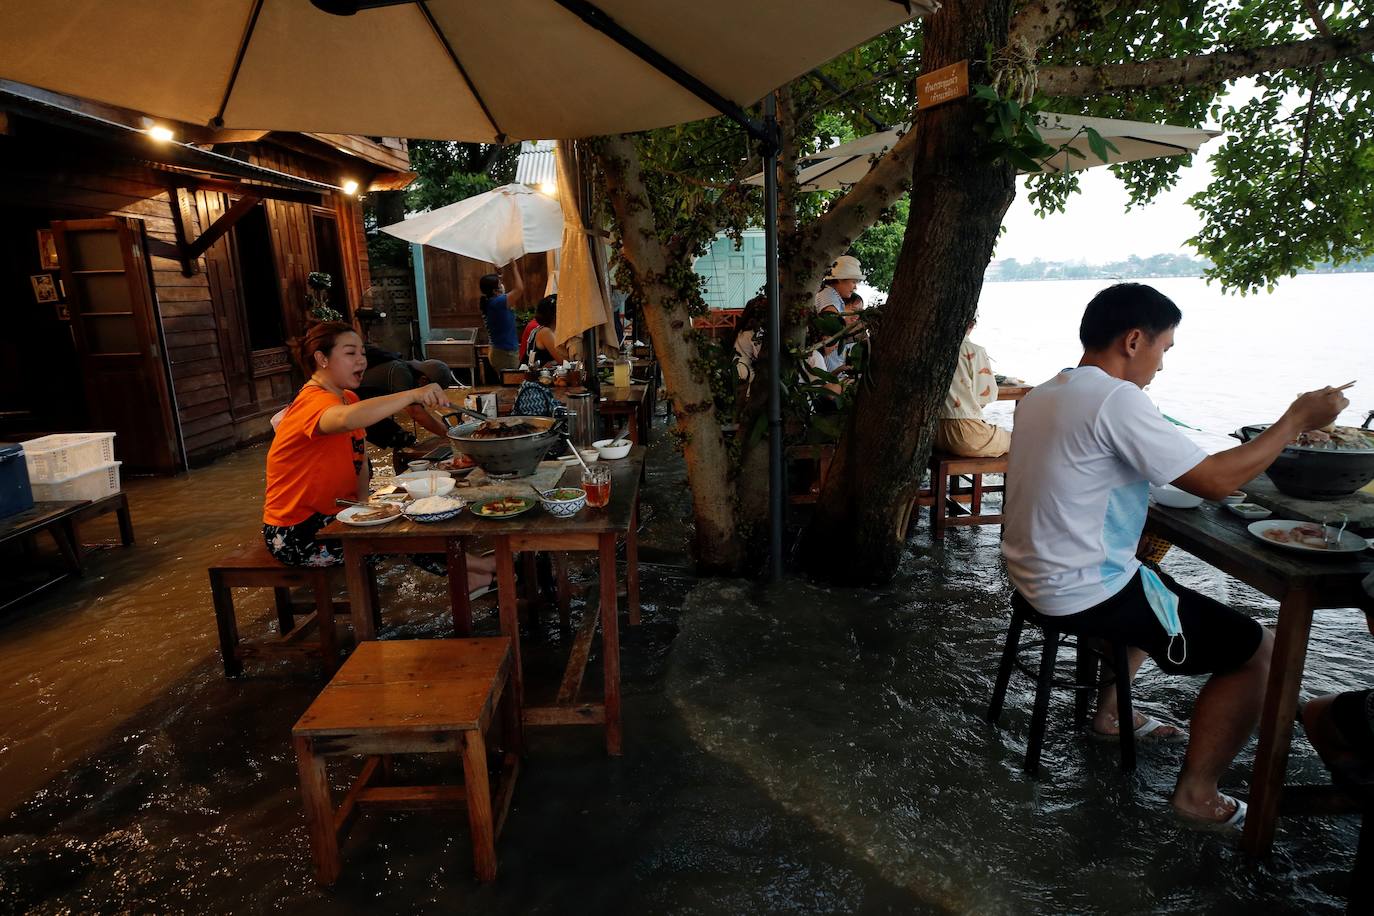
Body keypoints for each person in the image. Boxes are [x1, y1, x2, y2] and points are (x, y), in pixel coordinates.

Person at [1001, 282, 1347, 828]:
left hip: (1030, 573)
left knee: (1153, 579)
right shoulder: (1116, 398)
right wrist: (1295, 421)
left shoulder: (1045, 393)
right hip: (1081, 589)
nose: (1162, 364)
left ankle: (1111, 715)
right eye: (1164, 348)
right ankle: (1197, 795)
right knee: (1259, 651)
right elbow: (1212, 481)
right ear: (1134, 340)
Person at [262, 322, 495, 591]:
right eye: (350, 353)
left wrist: (364, 505)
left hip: (334, 513)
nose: (361, 360)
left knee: (408, 516)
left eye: (362, 352)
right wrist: (411, 395)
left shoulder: (347, 397)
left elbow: (358, 457)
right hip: (296, 533)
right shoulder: (310, 401)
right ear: (321, 358)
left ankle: (474, 573)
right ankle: (479, 571)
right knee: (400, 532)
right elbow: (346, 421)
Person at [357, 345, 461, 448]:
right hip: (355, 407)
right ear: (424, 379)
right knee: (399, 437)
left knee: (404, 438)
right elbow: (416, 413)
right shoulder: (401, 373)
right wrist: (451, 436)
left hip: (366, 406)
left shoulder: (404, 367)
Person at [935, 320, 1011, 458]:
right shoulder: (974, 350)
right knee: (1017, 440)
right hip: (965, 434)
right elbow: (985, 398)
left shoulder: (930, 348)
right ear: (971, 324)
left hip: (934, 433)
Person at [479, 262, 525, 374]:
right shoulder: (497, 303)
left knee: (509, 385)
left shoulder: (491, 301)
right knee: (511, 386)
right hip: (505, 353)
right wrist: (514, 267)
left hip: (500, 351)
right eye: (500, 284)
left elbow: (502, 291)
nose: (502, 286)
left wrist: (499, 275)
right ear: (495, 291)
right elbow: (519, 289)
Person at [524, 294, 567, 366]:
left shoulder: (540, 330)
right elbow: (563, 361)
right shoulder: (546, 332)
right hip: (537, 376)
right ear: (556, 314)